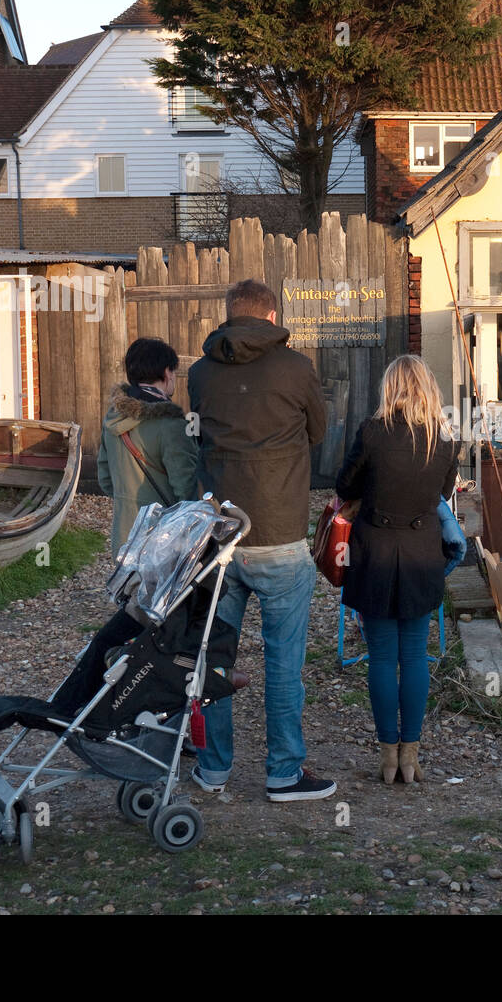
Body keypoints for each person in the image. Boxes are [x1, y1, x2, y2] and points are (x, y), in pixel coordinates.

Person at [187, 278, 335, 802]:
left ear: (230, 315)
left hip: (221, 536)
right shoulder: (296, 368)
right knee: (284, 662)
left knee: (214, 658)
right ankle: (283, 772)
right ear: (273, 317)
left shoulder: (200, 372)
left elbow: (199, 437)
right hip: (280, 533)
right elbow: (319, 433)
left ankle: (212, 769)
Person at [336, 355, 460, 785]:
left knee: (382, 657)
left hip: (374, 552)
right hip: (422, 553)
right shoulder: (444, 439)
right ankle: (412, 755)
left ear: (390, 387)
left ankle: (388, 757)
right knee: (414, 656)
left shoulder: (372, 432)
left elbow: (344, 486)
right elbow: (442, 494)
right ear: (428, 387)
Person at [96, 337, 199, 555]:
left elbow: (105, 479)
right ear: (166, 373)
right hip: (162, 542)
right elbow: (186, 489)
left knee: (130, 589)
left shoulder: (112, 418)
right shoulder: (171, 425)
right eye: (173, 372)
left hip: (123, 538)